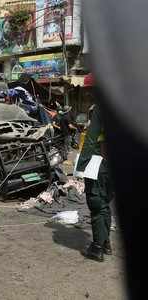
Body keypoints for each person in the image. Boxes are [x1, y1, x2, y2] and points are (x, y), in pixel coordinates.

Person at [76, 104, 114, 262]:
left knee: (96, 203)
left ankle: (97, 247)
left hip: (98, 165)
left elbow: (91, 140)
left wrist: (80, 168)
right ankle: (105, 242)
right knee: (105, 204)